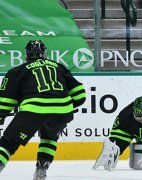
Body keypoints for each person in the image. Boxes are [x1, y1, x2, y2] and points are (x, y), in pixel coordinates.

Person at [0, 40, 86, 179]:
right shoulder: (59, 67)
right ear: (44, 54)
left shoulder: (17, 71)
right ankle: (41, 169)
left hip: (34, 111)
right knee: (49, 138)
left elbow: (4, 101)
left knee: (8, 142)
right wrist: (64, 105)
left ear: (26, 55)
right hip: (62, 112)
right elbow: (80, 95)